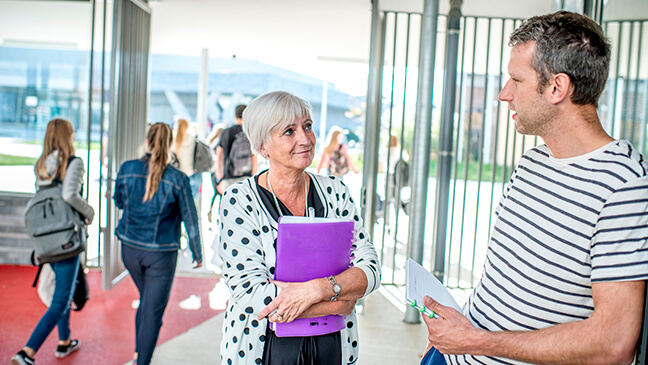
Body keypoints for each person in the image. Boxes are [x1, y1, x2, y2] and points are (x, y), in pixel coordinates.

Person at [420, 11, 648, 365]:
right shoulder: (532, 164)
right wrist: (452, 341)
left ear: (557, 87)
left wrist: (474, 340)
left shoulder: (625, 184)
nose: (503, 94)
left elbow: (613, 342)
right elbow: (502, 279)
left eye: (516, 79)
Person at [218, 91, 381, 364]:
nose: (305, 139)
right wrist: (339, 299)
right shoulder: (239, 200)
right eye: (289, 131)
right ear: (263, 147)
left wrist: (316, 290)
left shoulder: (335, 192)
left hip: (332, 346)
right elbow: (251, 294)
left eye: (307, 126)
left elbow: (370, 269)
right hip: (263, 347)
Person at [114, 122, 203, 365]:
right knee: (153, 310)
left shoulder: (127, 168)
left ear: (148, 142)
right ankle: (142, 361)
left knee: (147, 302)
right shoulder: (178, 179)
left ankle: (138, 354)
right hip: (161, 255)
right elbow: (190, 217)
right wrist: (197, 251)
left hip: (129, 250)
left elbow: (119, 202)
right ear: (169, 145)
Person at [12, 118, 94, 365]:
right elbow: (69, 195)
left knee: (63, 290)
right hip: (66, 239)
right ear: (67, 136)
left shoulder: (41, 166)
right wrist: (89, 212)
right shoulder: (73, 163)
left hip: (47, 240)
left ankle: (64, 341)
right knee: (60, 300)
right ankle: (27, 351)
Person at [215, 104, 258, 195]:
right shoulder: (250, 132)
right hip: (246, 177)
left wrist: (219, 177)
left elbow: (219, 155)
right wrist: (254, 175)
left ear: (235, 115)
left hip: (229, 176)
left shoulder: (226, 132)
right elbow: (254, 155)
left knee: (229, 206)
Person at [172, 117, 202, 197]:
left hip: (178, 174)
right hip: (192, 173)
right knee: (190, 201)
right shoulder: (193, 138)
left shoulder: (173, 139)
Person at [206, 123, 225, 223]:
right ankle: (218, 215)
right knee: (220, 193)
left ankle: (211, 211)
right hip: (218, 171)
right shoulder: (219, 143)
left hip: (212, 171)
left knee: (216, 193)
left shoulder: (211, 142)